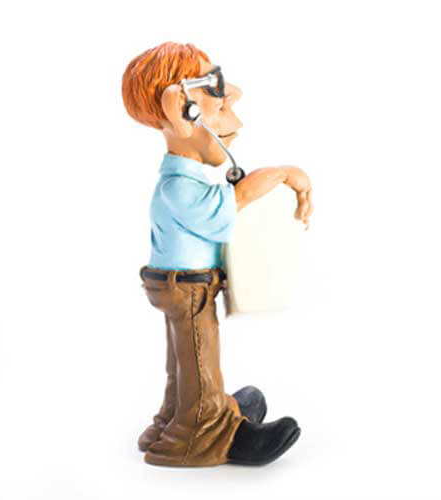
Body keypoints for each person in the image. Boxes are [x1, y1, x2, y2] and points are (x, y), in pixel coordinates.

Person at [122, 42, 313, 467]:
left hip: (182, 286)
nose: (231, 101)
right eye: (216, 94)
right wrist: (283, 175)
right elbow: (230, 205)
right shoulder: (178, 188)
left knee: (183, 361)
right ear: (180, 109)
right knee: (198, 356)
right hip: (186, 289)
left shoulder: (181, 182)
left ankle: (173, 419)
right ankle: (204, 433)